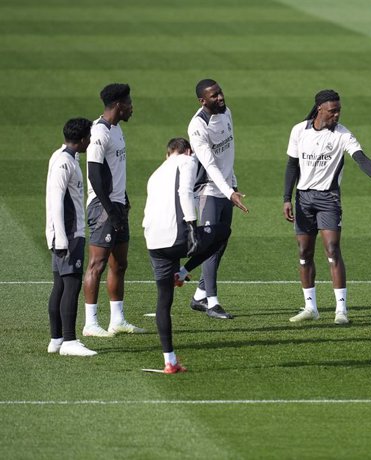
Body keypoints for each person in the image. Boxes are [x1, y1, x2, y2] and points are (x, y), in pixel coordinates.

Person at [283, 89, 371, 324]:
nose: (337, 115)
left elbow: (361, 158)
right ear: (319, 110)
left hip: (329, 200)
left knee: (332, 249)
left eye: (339, 110)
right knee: (304, 253)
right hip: (303, 199)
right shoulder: (299, 131)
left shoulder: (342, 134)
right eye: (333, 111)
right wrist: (286, 198)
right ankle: (310, 307)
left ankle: (341, 310)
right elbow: (291, 166)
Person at [143, 138, 236, 373]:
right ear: (187, 151)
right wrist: (192, 226)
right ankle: (182, 272)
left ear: (167, 154)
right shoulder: (187, 161)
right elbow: (185, 191)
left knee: (164, 302)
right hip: (177, 237)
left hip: (153, 241)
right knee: (223, 231)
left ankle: (170, 361)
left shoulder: (155, 174)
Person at [83, 83, 144, 337]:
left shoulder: (116, 130)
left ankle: (117, 320)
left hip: (117, 205)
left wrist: (124, 201)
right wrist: (110, 209)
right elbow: (95, 173)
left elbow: (115, 170)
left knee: (119, 264)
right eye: (129, 103)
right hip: (103, 207)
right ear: (118, 105)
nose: (132, 107)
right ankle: (90, 323)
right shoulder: (100, 132)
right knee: (97, 264)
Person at [188, 78, 248, 319]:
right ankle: (212, 303)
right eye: (214, 96)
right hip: (209, 191)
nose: (220, 97)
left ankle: (200, 294)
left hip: (226, 187)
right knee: (210, 246)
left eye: (220, 92)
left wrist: (232, 182)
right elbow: (209, 165)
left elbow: (229, 153)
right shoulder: (197, 126)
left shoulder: (227, 112)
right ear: (203, 101)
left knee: (220, 244)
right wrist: (228, 191)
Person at [45, 118, 97, 356]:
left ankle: (56, 339)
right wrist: (63, 238)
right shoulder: (64, 162)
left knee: (60, 285)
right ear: (84, 139)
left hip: (63, 232)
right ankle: (69, 341)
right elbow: (56, 200)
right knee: (71, 285)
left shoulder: (63, 156)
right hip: (68, 233)